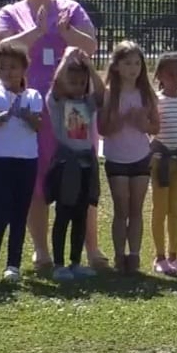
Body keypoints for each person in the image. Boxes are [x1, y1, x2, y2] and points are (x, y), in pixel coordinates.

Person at [0, 0, 102, 273]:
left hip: (74, 108)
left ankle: (91, 249)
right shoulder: (10, 13)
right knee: (36, 177)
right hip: (33, 108)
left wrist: (68, 34)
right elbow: (1, 48)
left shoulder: (70, 9)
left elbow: (91, 46)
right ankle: (41, 251)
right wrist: (37, 31)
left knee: (82, 175)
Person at [0, 42, 43, 282]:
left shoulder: (33, 96)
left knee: (19, 214)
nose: (8, 72)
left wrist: (25, 114)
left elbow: (38, 125)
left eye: (13, 67)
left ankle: (12, 265)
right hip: (1, 160)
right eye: (3, 67)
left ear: (24, 69)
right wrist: (8, 113)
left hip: (27, 160)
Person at [44, 48, 103, 282]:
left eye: (81, 82)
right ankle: (59, 264)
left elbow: (101, 92)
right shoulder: (57, 103)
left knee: (81, 215)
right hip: (66, 165)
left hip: (86, 164)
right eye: (73, 82)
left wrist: (89, 66)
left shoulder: (87, 103)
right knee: (63, 215)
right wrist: (67, 58)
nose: (77, 86)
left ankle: (76, 262)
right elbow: (57, 83)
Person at [100, 40, 158, 274]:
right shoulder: (109, 94)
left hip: (141, 157)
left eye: (137, 63)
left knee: (137, 209)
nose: (133, 68)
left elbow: (155, 127)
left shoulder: (145, 93)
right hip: (116, 157)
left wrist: (141, 122)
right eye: (127, 63)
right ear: (116, 66)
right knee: (121, 209)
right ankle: (118, 255)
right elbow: (102, 129)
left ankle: (134, 255)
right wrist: (122, 120)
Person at [150, 52, 177, 275]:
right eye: (170, 73)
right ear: (159, 75)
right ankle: (159, 256)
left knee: (174, 210)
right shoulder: (155, 100)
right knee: (160, 209)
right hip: (160, 163)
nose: (175, 78)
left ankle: (174, 255)